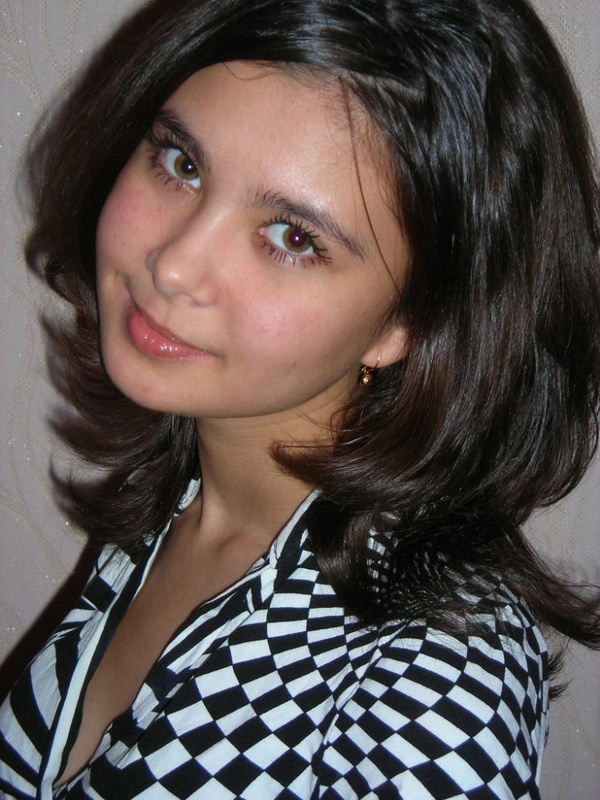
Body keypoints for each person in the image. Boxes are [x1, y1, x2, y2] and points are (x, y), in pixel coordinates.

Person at [1, 0, 599, 796]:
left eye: (292, 237)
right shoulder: (178, 502)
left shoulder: (434, 677)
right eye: (182, 163)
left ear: (410, 323)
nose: (173, 265)